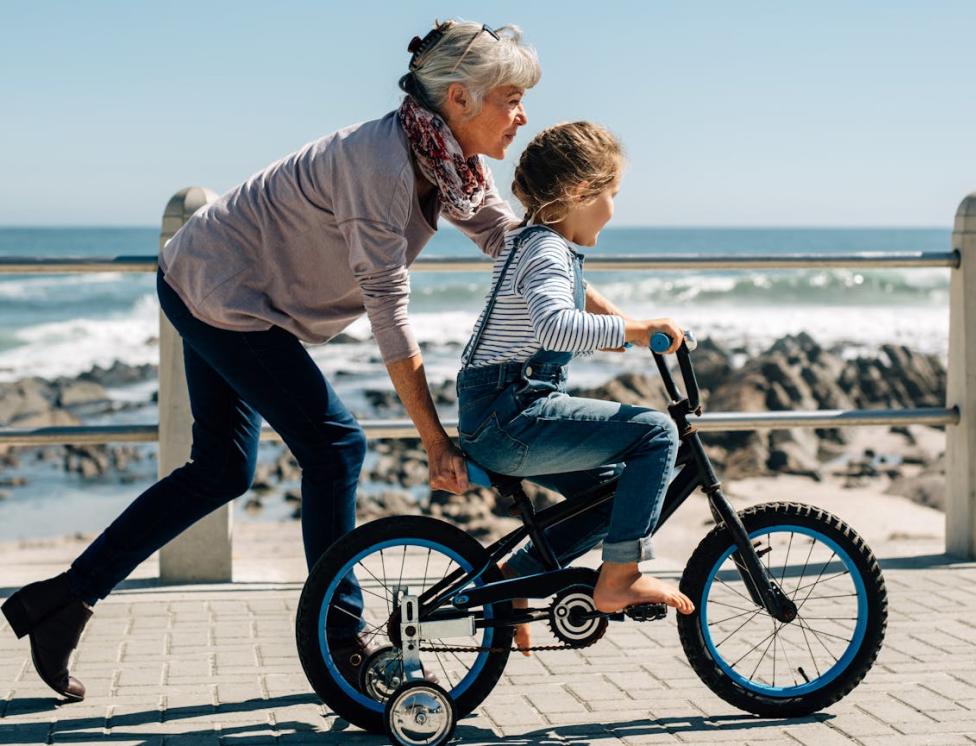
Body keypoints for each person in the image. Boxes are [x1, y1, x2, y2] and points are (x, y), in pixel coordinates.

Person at [2, 19, 608, 701]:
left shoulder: (449, 164)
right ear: (460, 98)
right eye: (510, 98)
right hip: (219, 292)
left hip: (221, 285)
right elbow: (389, 312)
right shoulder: (379, 168)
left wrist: (616, 321)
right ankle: (342, 638)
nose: (522, 116)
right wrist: (434, 440)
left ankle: (58, 602)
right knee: (335, 446)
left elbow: (517, 247)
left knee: (223, 470)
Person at [454, 121, 696, 655]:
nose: (614, 208)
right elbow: (555, 325)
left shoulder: (534, 242)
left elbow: (571, 295)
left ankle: (511, 580)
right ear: (580, 194)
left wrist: (625, 325)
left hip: (500, 408)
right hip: (513, 410)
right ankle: (620, 578)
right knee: (656, 434)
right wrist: (634, 331)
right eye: (613, 195)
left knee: (615, 498)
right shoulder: (545, 251)